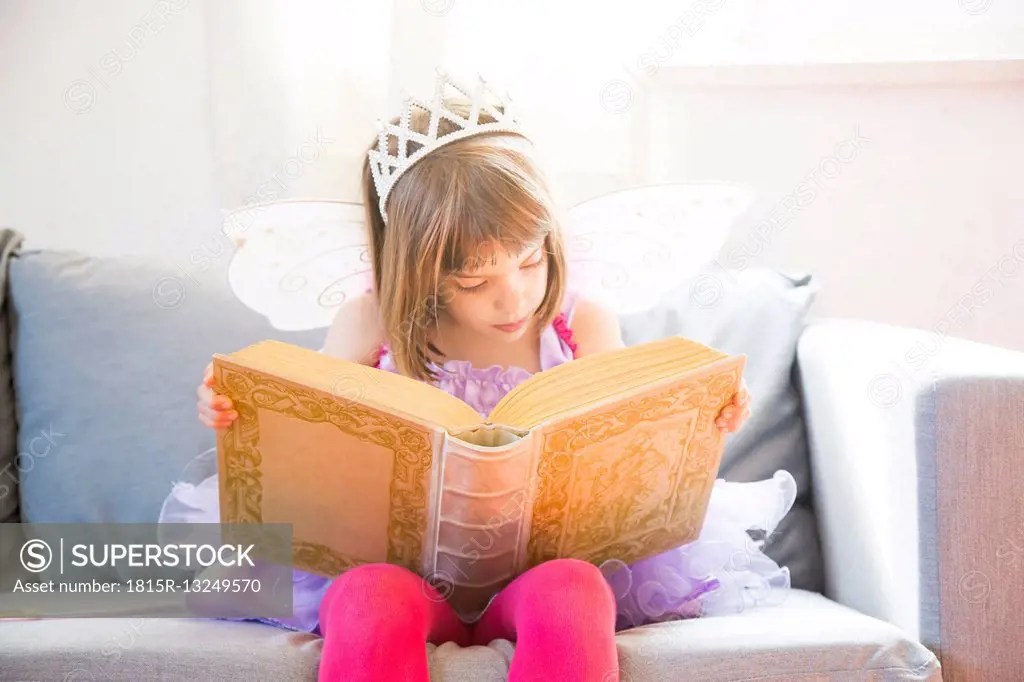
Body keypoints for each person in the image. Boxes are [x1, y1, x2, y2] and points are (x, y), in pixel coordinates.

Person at [173, 73, 788, 682]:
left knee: (572, 591)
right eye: (474, 281)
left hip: (540, 574)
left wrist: (705, 418)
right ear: (418, 271)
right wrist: (234, 409)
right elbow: (304, 428)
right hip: (403, 576)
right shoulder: (371, 321)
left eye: (530, 261)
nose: (513, 297)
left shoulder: (581, 322)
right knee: (368, 597)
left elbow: (636, 437)